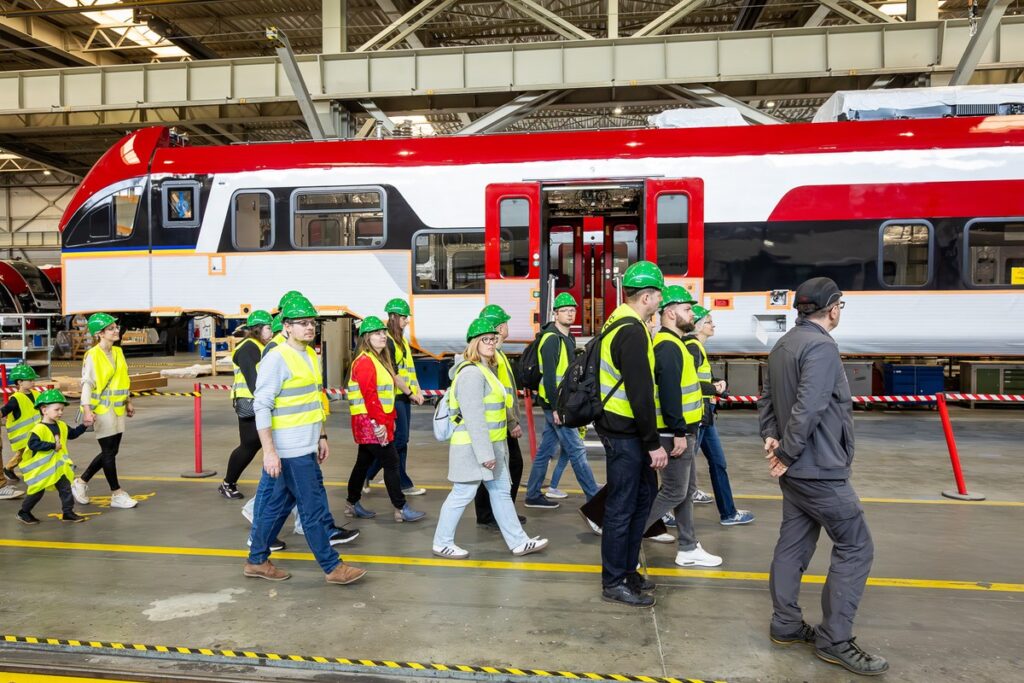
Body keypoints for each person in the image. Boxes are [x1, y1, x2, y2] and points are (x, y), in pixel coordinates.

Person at [758, 277, 887, 676]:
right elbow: (809, 408)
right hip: (819, 470)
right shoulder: (821, 346)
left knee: (793, 543)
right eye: (841, 306)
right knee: (856, 546)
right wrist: (787, 451)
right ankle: (835, 640)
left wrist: (771, 439)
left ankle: (785, 624)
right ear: (833, 308)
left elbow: (767, 400)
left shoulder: (783, 345)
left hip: (797, 471)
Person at [244, 296, 366, 585]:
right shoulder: (277, 357)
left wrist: (321, 435)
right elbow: (261, 405)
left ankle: (256, 560)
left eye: (312, 323)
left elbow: (313, 399)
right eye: (303, 323)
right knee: (311, 509)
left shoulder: (310, 354)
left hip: (306, 445)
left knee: (275, 507)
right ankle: (332, 567)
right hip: (289, 450)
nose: (310, 328)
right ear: (286, 327)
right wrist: (269, 452)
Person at [433, 318, 548, 559]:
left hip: (492, 447)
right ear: (474, 343)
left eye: (493, 339)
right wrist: (486, 455)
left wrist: (497, 450)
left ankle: (518, 541)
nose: (490, 343)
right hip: (473, 450)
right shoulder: (471, 374)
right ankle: (442, 542)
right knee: (461, 494)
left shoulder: (487, 370)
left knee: (501, 493)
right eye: (484, 339)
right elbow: (474, 418)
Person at [594, 261, 669, 608]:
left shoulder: (619, 321)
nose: (659, 304)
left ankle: (627, 571)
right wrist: (653, 443)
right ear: (648, 297)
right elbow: (640, 392)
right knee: (622, 507)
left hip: (622, 429)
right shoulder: (632, 330)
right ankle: (614, 581)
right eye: (658, 297)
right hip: (625, 432)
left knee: (640, 498)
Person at [643, 286, 722, 567]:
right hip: (673, 432)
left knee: (685, 491)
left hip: (682, 430)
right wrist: (678, 432)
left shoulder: (674, 343)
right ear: (671, 313)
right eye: (688, 309)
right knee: (675, 491)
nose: (692, 314)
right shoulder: (668, 346)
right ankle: (627, 538)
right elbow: (669, 394)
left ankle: (688, 546)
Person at [344, 316, 426, 523]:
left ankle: (351, 504)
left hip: (374, 421)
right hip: (369, 422)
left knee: (363, 463)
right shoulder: (364, 362)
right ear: (366, 337)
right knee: (391, 461)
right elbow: (370, 397)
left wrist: (389, 419)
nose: (382, 336)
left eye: (383, 333)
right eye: (376, 333)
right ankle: (401, 508)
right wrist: (379, 424)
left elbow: (385, 395)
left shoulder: (381, 360)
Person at [523, 292, 600, 510]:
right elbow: (548, 378)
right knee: (577, 450)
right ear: (555, 314)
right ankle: (594, 500)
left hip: (559, 404)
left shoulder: (568, 338)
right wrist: (556, 409)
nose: (570, 313)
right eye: (565, 310)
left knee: (545, 451)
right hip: (556, 406)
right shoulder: (551, 340)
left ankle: (532, 494)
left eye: (572, 310)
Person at [688, 306, 755, 526]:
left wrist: (717, 383)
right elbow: (689, 383)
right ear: (698, 326)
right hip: (697, 416)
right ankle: (660, 512)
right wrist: (714, 389)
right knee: (682, 471)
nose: (713, 325)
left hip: (706, 417)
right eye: (708, 321)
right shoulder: (692, 348)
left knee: (718, 463)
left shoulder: (698, 348)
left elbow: (701, 377)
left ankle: (728, 513)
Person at [71, 313, 138, 510]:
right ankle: (116, 493)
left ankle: (81, 482)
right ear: (99, 333)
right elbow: (87, 383)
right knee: (109, 451)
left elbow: (123, 379)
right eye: (111, 328)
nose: (116, 330)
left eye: (115, 327)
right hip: (100, 409)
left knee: (112, 450)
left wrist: (128, 401)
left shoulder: (117, 352)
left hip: (117, 408)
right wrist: (86, 410)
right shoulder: (93, 354)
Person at [363, 298, 426, 497]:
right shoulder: (388, 342)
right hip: (395, 398)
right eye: (404, 317)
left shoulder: (402, 342)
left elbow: (410, 370)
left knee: (402, 440)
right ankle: (398, 481)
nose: (406, 321)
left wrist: (417, 390)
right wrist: (410, 393)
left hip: (405, 397)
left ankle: (380, 476)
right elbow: (394, 374)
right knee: (398, 441)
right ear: (393, 317)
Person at [473, 304, 526, 529]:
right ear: (500, 327)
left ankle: (491, 513)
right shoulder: (493, 356)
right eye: (506, 323)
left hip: (501, 420)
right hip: (499, 422)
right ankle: (496, 514)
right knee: (510, 466)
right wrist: (512, 421)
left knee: (498, 469)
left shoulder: (498, 353)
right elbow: (499, 392)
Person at [220, 310, 273, 500]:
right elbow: (254, 381)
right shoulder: (249, 348)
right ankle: (228, 483)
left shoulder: (258, 346)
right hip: (250, 404)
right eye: (268, 328)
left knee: (252, 445)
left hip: (254, 402)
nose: (271, 332)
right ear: (257, 329)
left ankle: (228, 482)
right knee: (249, 445)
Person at [16, 390, 88, 525]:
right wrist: (51, 446)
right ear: (44, 410)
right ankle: (24, 512)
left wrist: (84, 426)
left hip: (58, 467)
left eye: (62, 409)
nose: (60, 412)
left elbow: (72, 434)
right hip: (43, 469)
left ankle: (68, 513)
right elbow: (33, 444)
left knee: (65, 489)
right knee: (37, 492)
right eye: (57, 409)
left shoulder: (61, 425)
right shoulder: (39, 429)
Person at [0, 364, 41, 500]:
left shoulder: (36, 394)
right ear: (19, 382)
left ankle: (8, 468)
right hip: (22, 436)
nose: (33, 382)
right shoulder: (15, 398)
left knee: (23, 454)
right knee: (26, 455)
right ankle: (33, 476)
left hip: (36, 432)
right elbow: (5, 410)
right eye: (30, 380)